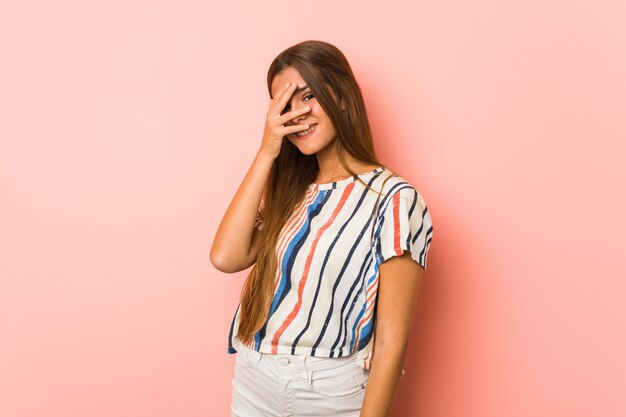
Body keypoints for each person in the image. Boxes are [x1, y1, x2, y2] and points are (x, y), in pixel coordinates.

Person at [210, 40, 434, 417]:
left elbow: (392, 341)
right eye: (284, 105)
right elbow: (225, 256)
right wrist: (267, 151)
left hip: (329, 390)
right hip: (254, 378)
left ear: (342, 96)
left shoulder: (394, 199)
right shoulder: (292, 194)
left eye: (308, 96)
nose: (297, 115)